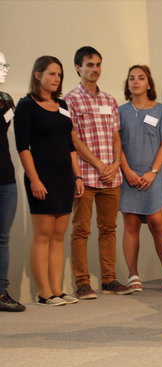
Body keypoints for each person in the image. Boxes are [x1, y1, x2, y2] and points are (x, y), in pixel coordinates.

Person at [14, 56, 84, 306]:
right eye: (52, 74)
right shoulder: (26, 105)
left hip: (64, 177)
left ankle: (58, 289)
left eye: (59, 75)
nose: (56, 79)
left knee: (58, 235)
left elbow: (69, 145)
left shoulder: (63, 105)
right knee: (43, 235)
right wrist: (34, 179)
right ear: (38, 75)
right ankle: (44, 293)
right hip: (41, 177)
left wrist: (77, 176)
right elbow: (23, 147)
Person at [64, 46, 131, 299]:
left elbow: (116, 135)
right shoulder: (70, 99)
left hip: (111, 175)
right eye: (89, 65)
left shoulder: (109, 100)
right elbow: (73, 138)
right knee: (81, 229)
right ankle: (82, 283)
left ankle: (109, 280)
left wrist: (114, 163)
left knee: (109, 228)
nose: (95, 69)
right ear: (78, 68)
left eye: (98, 65)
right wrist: (97, 164)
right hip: (86, 174)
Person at [119, 65, 162, 292]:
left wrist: (152, 172)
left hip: (154, 175)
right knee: (131, 225)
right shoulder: (121, 111)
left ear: (149, 83)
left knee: (158, 224)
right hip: (129, 176)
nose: (135, 82)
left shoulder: (161, 110)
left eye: (141, 78)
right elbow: (118, 145)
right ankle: (133, 275)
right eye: (131, 78)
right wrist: (128, 171)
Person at [0, 51, 25, 312]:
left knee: (3, 236)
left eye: (5, 64)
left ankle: (1, 291)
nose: (5, 69)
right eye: (0, 65)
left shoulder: (6, 100)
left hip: (6, 178)